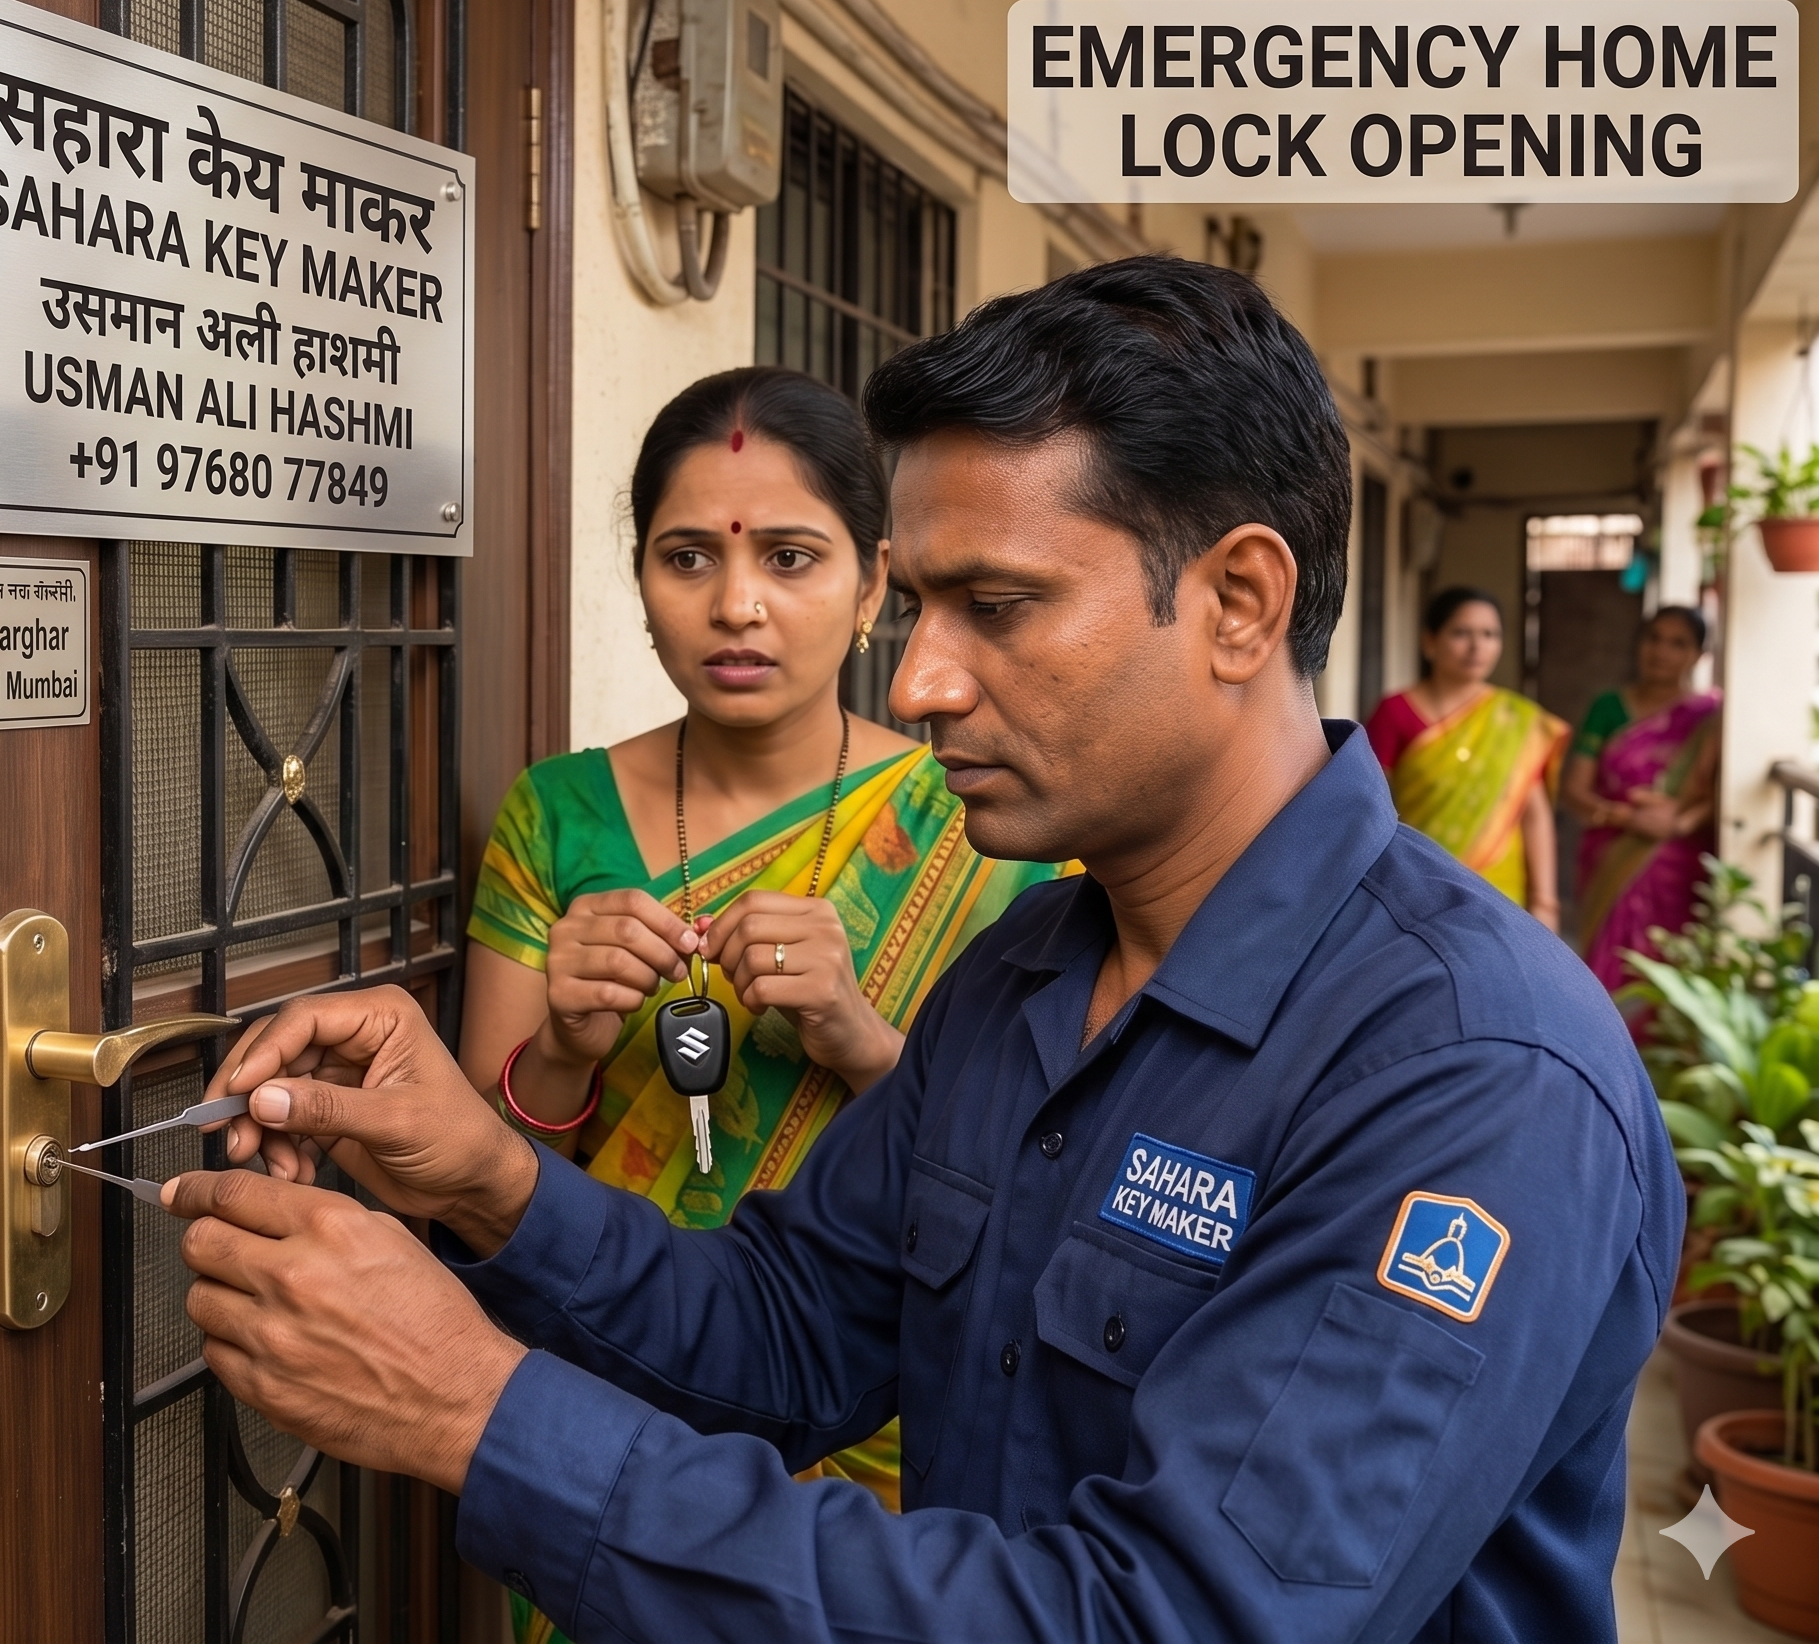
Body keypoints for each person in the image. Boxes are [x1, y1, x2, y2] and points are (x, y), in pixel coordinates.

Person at [160, 257, 1679, 1644]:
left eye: (997, 605)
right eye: (925, 602)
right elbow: (779, 1334)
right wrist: (486, 1178)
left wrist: (471, 1407)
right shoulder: (1022, 985)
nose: (930, 677)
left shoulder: (1474, 1070)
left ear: (1238, 601)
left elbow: (1167, 1620)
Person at [462, 370, 1071, 1574]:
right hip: (608, 1386)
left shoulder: (982, 830)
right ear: (640, 584)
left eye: (789, 559)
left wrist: (855, 1037)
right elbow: (477, 1170)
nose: (735, 605)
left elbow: (1039, 1184)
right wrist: (564, 1051)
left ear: (872, 585)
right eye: (687, 559)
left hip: (886, 1417)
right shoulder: (556, 815)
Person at [1365, 588, 1568, 928]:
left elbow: (1534, 816)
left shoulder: (1515, 719)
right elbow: (1368, 799)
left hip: (1500, 891)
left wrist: (1544, 901)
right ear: (1430, 642)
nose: (1477, 647)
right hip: (1419, 883)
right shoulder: (1395, 712)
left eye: (1489, 634)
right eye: (1461, 633)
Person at [1562, 607, 1722, 995]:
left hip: (1679, 863)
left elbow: (1717, 798)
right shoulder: (1608, 708)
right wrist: (1627, 818)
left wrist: (1679, 824)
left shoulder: (1710, 716)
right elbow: (1574, 791)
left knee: (1671, 971)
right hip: (1611, 855)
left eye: (1678, 643)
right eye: (1654, 638)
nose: (1662, 651)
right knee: (1608, 971)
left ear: (1699, 655)